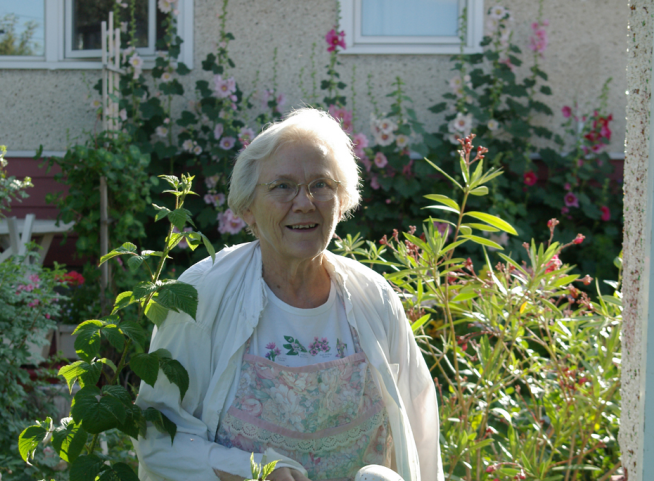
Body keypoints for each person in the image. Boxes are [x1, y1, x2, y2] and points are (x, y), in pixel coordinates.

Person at [134, 108, 444, 481]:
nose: (304, 202)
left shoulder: (373, 298)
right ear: (247, 209)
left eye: (321, 185)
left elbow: (420, 431)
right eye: (282, 186)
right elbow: (157, 434)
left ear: (341, 203)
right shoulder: (203, 294)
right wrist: (252, 471)